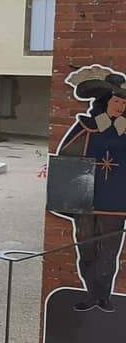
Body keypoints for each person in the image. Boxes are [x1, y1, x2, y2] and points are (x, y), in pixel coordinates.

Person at [56, 66, 126, 313]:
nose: (120, 106)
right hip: (85, 201)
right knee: (86, 249)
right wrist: (68, 199)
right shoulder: (87, 127)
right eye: (116, 101)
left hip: (116, 203)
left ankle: (103, 296)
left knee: (108, 253)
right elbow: (66, 159)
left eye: (124, 103)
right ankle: (91, 294)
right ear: (105, 101)